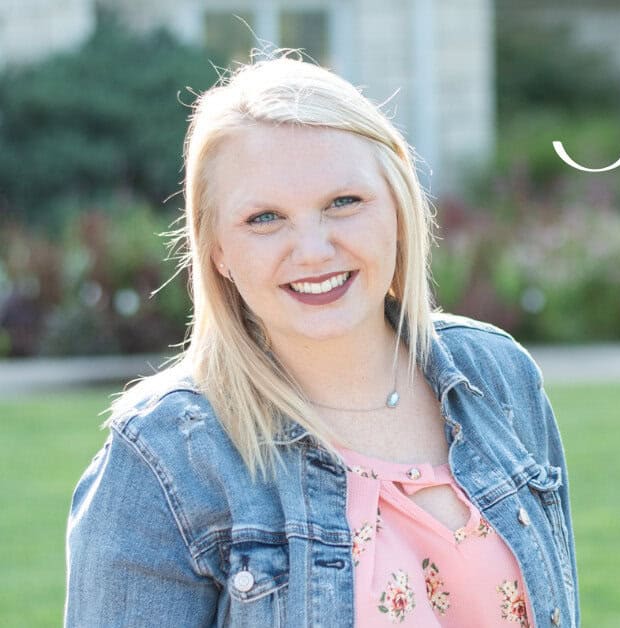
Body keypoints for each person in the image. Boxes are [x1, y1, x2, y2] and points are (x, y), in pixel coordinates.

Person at [64, 56, 579, 628]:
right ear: (218, 252)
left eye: (343, 203)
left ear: (399, 207)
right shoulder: (166, 455)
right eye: (264, 218)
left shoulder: (497, 374)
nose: (312, 250)